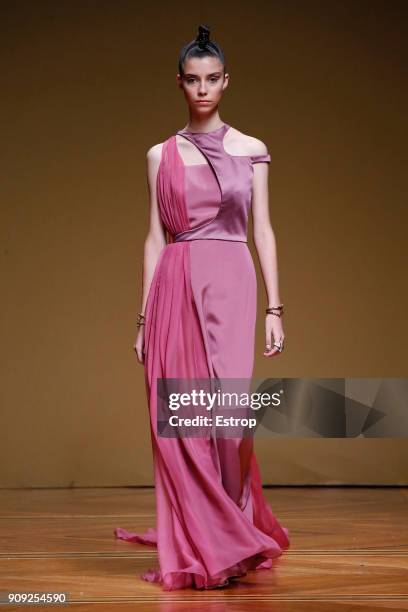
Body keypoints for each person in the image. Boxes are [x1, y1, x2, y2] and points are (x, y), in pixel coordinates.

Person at [114, 23, 289, 591]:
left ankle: (232, 533)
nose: (203, 90)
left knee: (227, 419)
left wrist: (275, 307)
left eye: (212, 79)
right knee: (181, 423)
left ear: (226, 81)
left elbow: (262, 229)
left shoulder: (252, 149)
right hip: (175, 284)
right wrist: (142, 317)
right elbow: (153, 239)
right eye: (193, 80)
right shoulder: (159, 155)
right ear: (180, 84)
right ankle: (203, 545)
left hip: (233, 282)